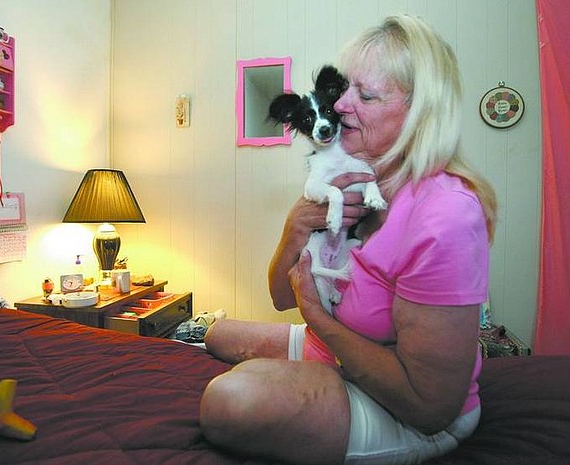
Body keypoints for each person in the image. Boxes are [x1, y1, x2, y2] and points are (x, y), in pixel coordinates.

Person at [199, 14, 497, 465]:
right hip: (347, 343)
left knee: (232, 400)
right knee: (216, 333)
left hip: (415, 413)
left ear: (418, 113)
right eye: (344, 90)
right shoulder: (348, 181)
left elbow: (429, 406)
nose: (338, 107)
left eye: (367, 94)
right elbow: (282, 297)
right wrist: (293, 229)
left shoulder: (445, 214)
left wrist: (319, 319)